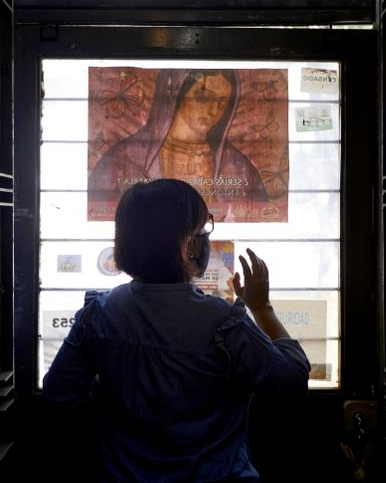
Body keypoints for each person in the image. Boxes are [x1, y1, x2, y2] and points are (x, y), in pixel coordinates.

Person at [44, 178, 310, 482]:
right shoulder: (224, 323)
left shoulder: (99, 314)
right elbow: (292, 382)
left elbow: (59, 393)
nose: (205, 238)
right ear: (186, 245)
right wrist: (263, 308)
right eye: (202, 229)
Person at [88, 69, 269, 212]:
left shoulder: (239, 168)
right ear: (176, 95)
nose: (214, 111)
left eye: (222, 104)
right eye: (204, 97)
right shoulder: (121, 159)